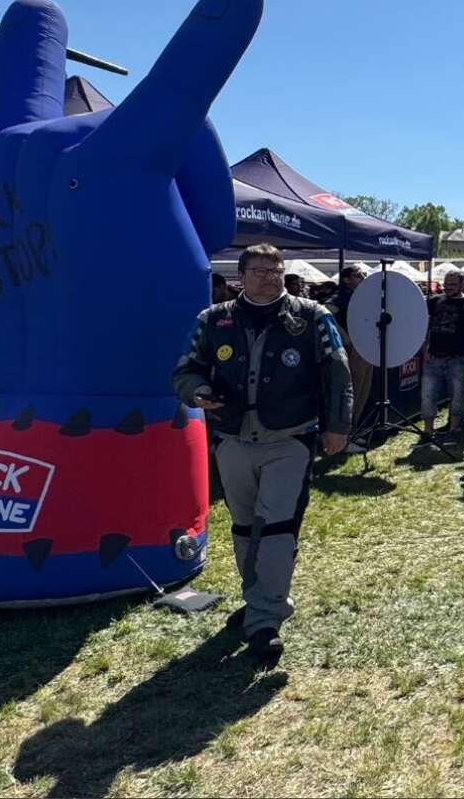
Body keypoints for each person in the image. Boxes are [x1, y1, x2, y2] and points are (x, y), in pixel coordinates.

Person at [172, 244, 352, 666]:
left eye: (276, 269)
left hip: (290, 438)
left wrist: (338, 426)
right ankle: (258, 600)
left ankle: (265, 620)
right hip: (232, 439)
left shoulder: (311, 316)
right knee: (242, 525)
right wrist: (196, 391)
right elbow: (185, 368)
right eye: (259, 270)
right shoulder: (213, 320)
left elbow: (338, 371)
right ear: (241, 276)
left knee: (275, 527)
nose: (269, 276)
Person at [420, 270, 464, 442]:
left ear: (462, 284)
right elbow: (426, 328)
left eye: (452, 285)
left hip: (459, 359)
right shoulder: (434, 301)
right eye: (446, 284)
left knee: (458, 395)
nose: (448, 288)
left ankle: (454, 429)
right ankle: (428, 432)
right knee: (427, 393)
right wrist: (425, 349)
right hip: (433, 357)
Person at [329, 264, 373, 438]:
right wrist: (344, 336)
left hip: (366, 347)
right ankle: (346, 435)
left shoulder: (361, 295)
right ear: (347, 279)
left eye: (363, 274)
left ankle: (353, 431)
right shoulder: (342, 296)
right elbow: (326, 311)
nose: (362, 277)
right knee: (353, 392)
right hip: (354, 349)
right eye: (358, 275)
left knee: (363, 391)